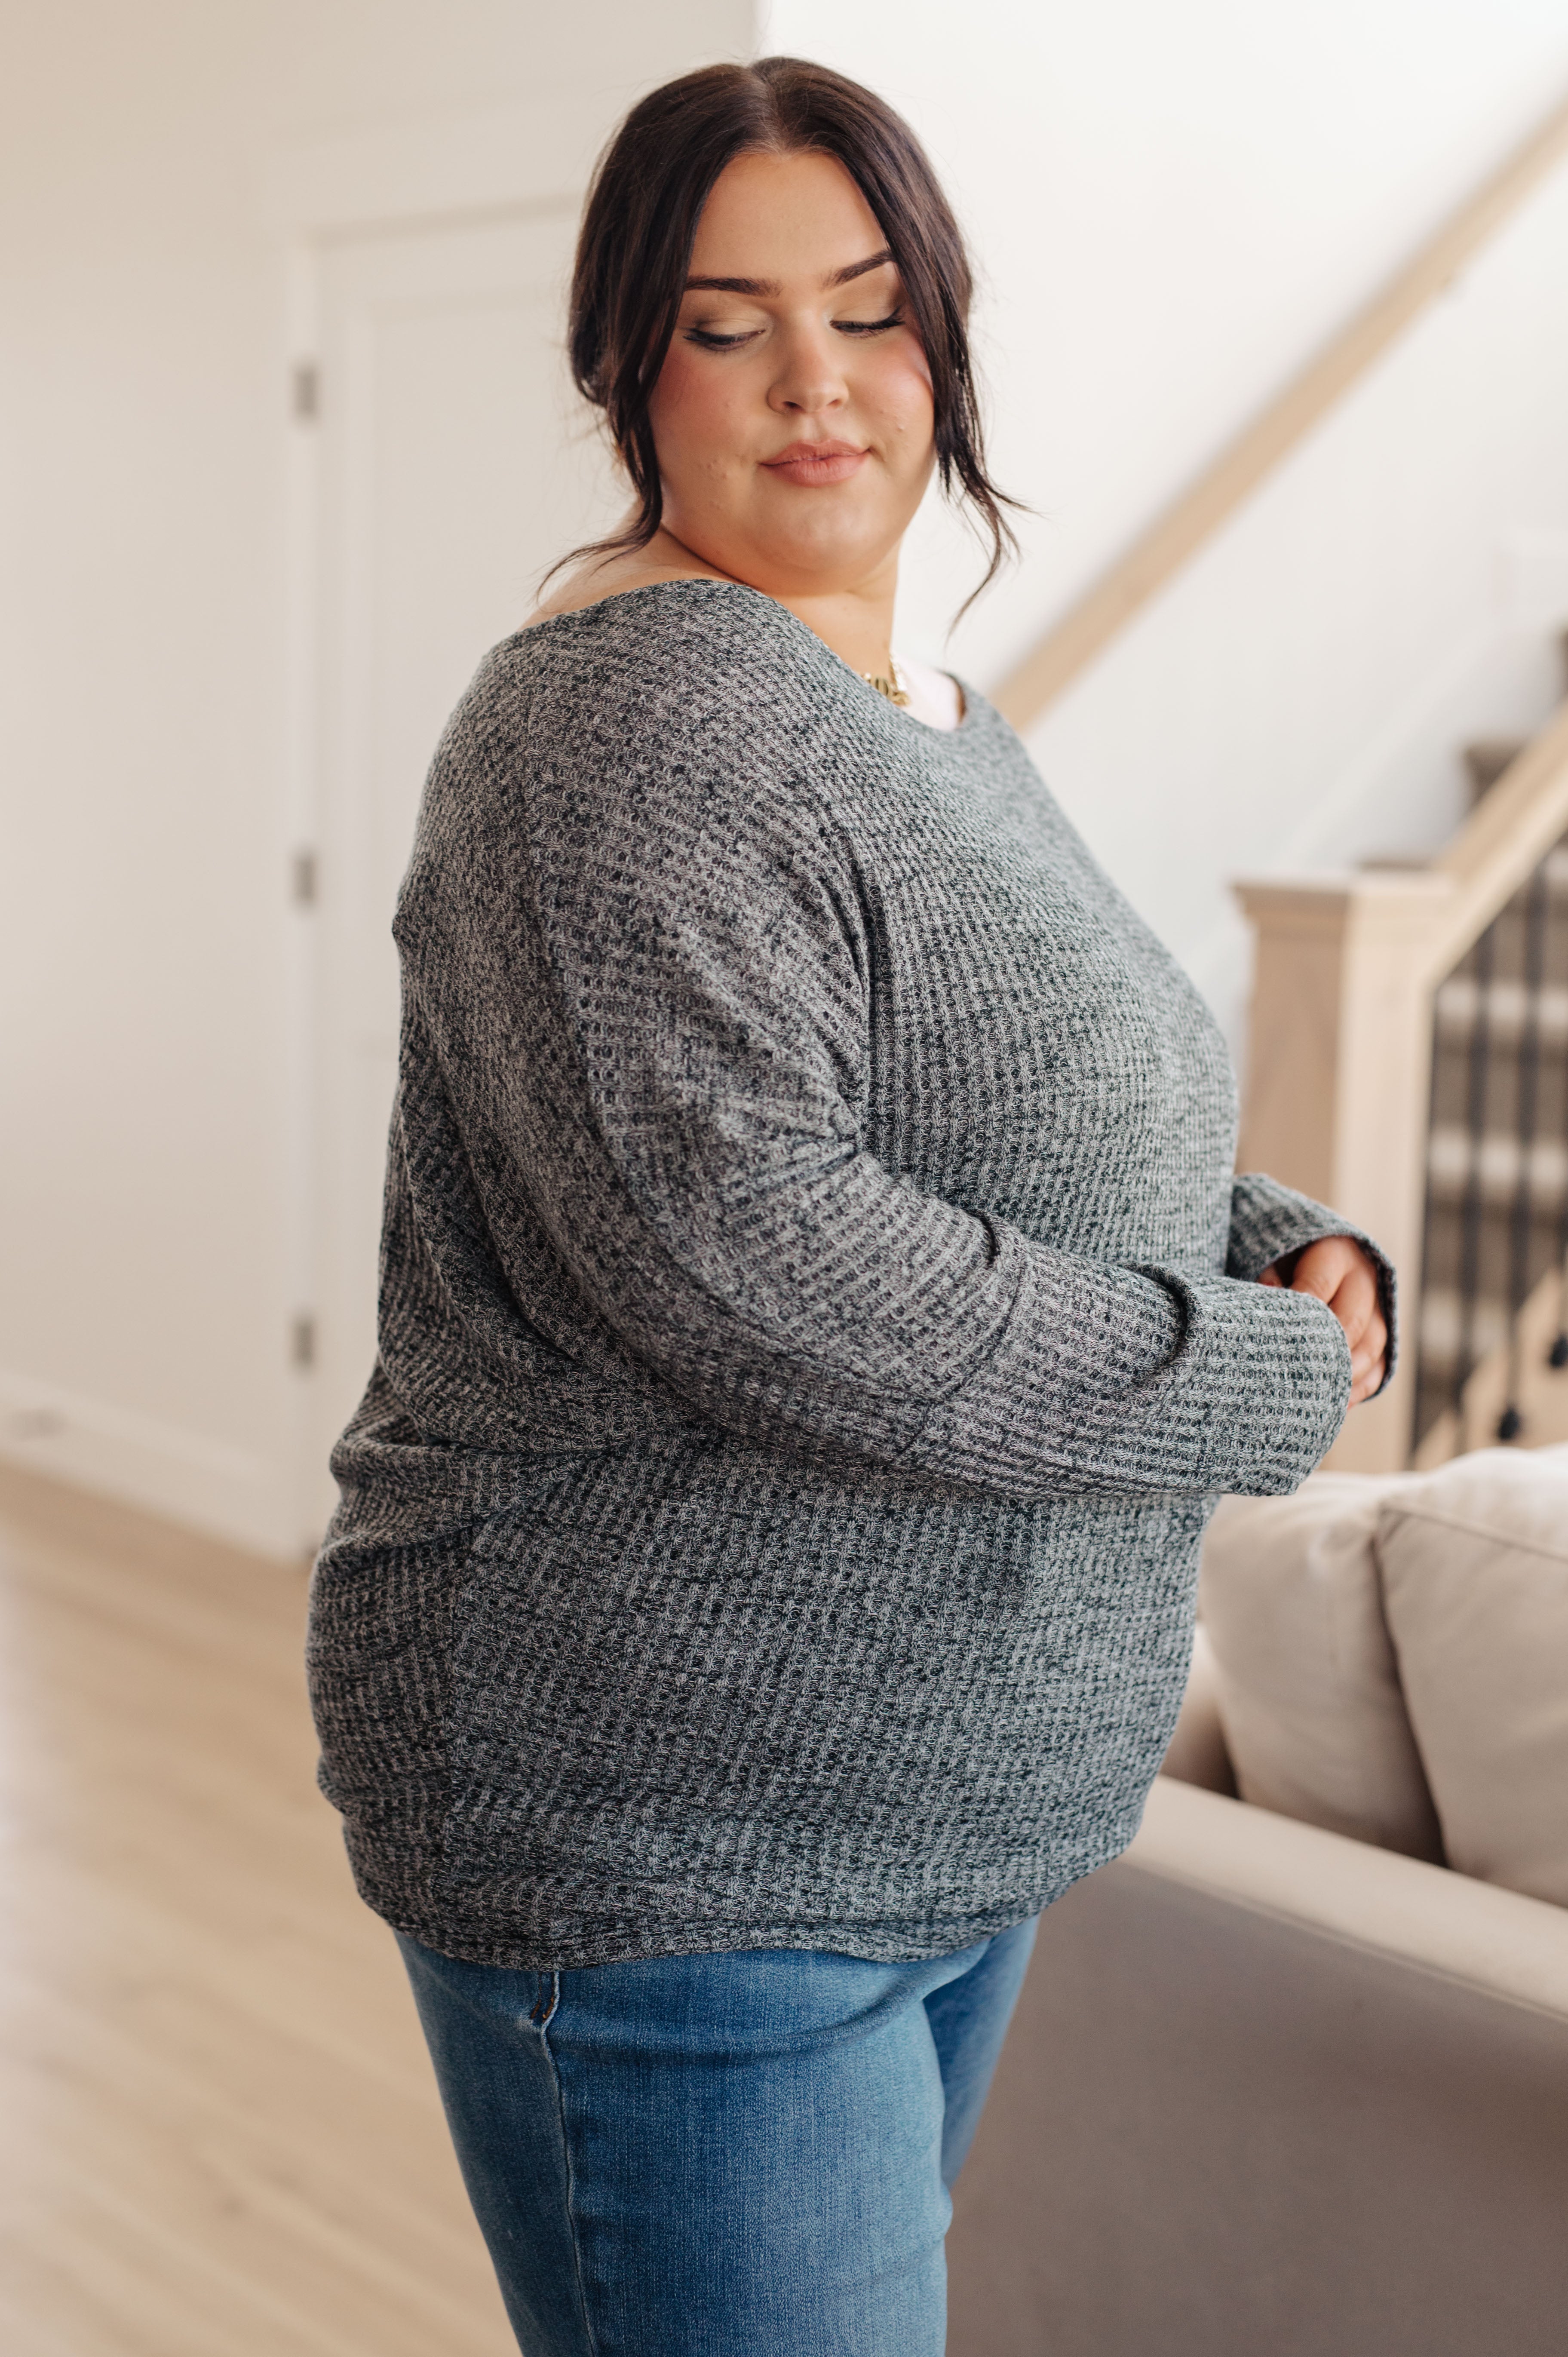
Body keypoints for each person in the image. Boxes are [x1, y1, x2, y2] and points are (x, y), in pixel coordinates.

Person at [306, 55, 1392, 2356]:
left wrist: (1259, 1227)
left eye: (870, 308)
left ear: (946, 337)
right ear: (631, 366)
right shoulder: (626, 726)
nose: (817, 380)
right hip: (674, 1843)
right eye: (729, 323)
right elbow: (772, 1267)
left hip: (925, 1820)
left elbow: (1002, 1120)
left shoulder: (911, 705)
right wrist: (1265, 1366)